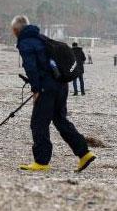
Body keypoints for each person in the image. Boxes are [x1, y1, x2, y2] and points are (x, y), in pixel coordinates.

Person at [12, 15, 95, 173]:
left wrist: (36, 89)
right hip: (61, 85)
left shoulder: (25, 42)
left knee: (38, 123)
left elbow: (31, 68)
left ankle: (41, 162)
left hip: (46, 88)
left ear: (16, 30)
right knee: (60, 120)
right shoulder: (41, 38)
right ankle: (84, 153)